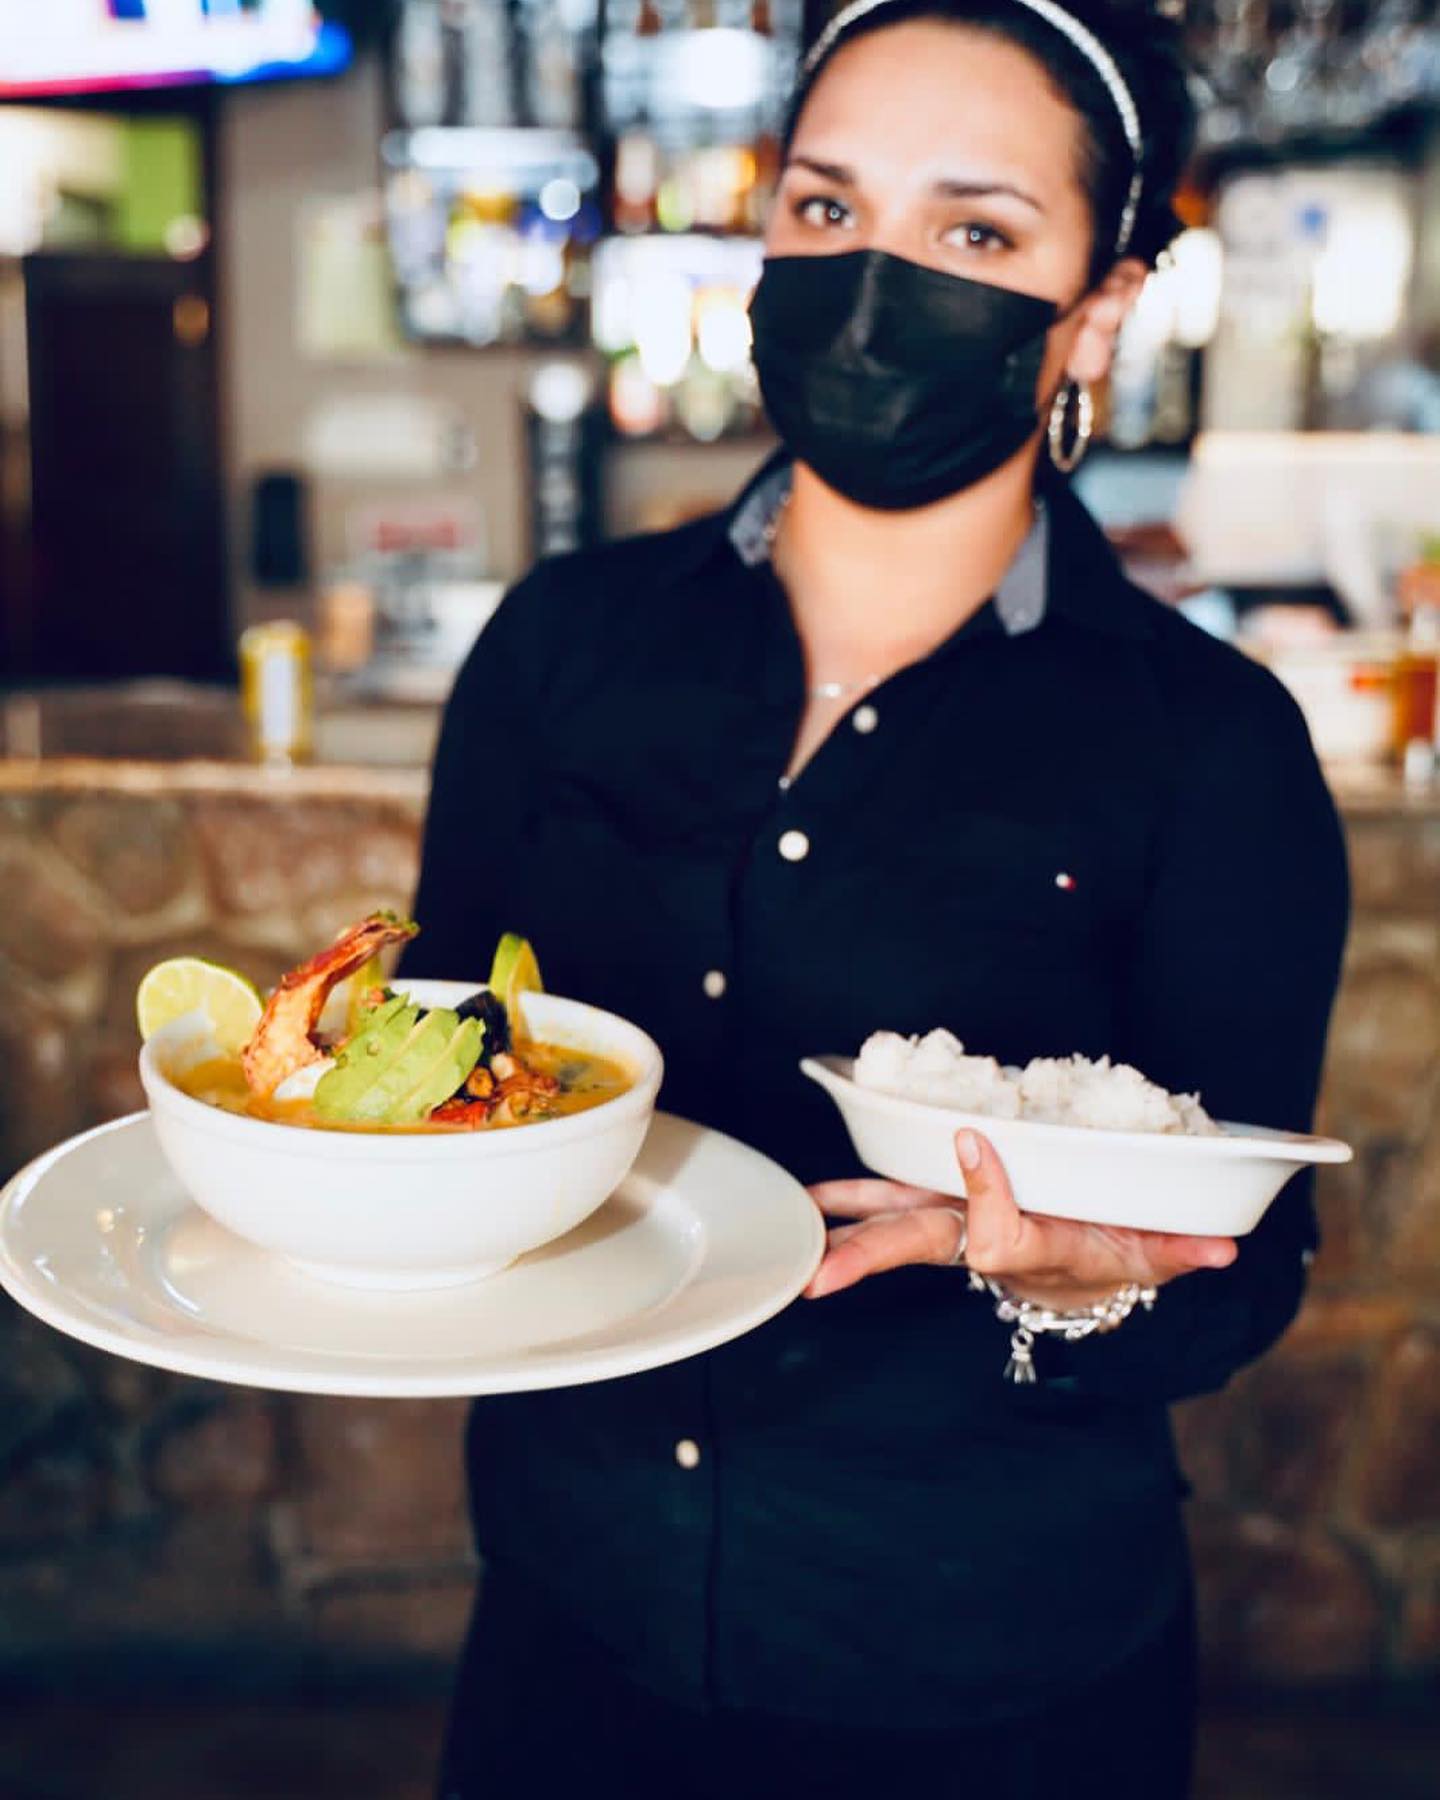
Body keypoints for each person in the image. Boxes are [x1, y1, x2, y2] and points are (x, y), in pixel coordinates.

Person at [405, 3, 1350, 1794]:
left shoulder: (1209, 744)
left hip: (989, 1672)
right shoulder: (560, 648)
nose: (871, 284)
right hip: (571, 1618)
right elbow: (440, 1065)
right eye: (828, 209)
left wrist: (1083, 1283)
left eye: (974, 231)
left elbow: (1254, 1273)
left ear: (1098, 310)